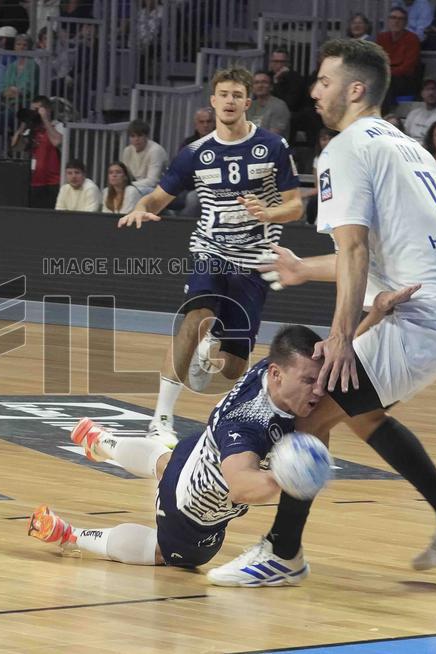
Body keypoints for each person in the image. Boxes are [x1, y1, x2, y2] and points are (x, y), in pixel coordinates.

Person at [229, 38, 436, 587]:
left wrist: (341, 337)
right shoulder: (407, 146)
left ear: (355, 89)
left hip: (424, 314)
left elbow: (354, 250)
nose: (314, 91)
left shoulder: (346, 149)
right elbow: (377, 254)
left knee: (308, 413)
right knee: (361, 415)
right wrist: (303, 269)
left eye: (324, 81)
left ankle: (283, 553)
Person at [29, 325, 328, 572]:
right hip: (195, 506)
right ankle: (70, 534)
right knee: (170, 553)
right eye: (309, 381)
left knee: (167, 462)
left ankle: (103, 442)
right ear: (276, 374)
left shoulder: (270, 369)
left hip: (196, 453)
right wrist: (285, 475)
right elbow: (239, 487)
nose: (319, 390)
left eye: (320, 379)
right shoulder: (247, 423)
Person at [117, 67, 302, 447]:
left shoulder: (272, 146)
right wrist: (141, 208)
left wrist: (269, 213)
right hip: (210, 249)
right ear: (213, 101)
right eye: (224, 94)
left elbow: (295, 206)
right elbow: (158, 197)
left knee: (233, 368)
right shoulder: (195, 153)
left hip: (255, 260)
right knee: (196, 315)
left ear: (248, 103)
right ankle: (161, 419)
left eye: (237, 95)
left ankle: (214, 342)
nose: (230, 101)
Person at [119, 119, 168, 195]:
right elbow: (124, 175)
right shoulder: (127, 151)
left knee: (131, 192)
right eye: (133, 136)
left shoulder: (155, 151)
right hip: (138, 186)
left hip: (161, 189)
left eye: (140, 136)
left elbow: (152, 181)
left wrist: (128, 185)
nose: (136, 139)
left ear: (146, 136)